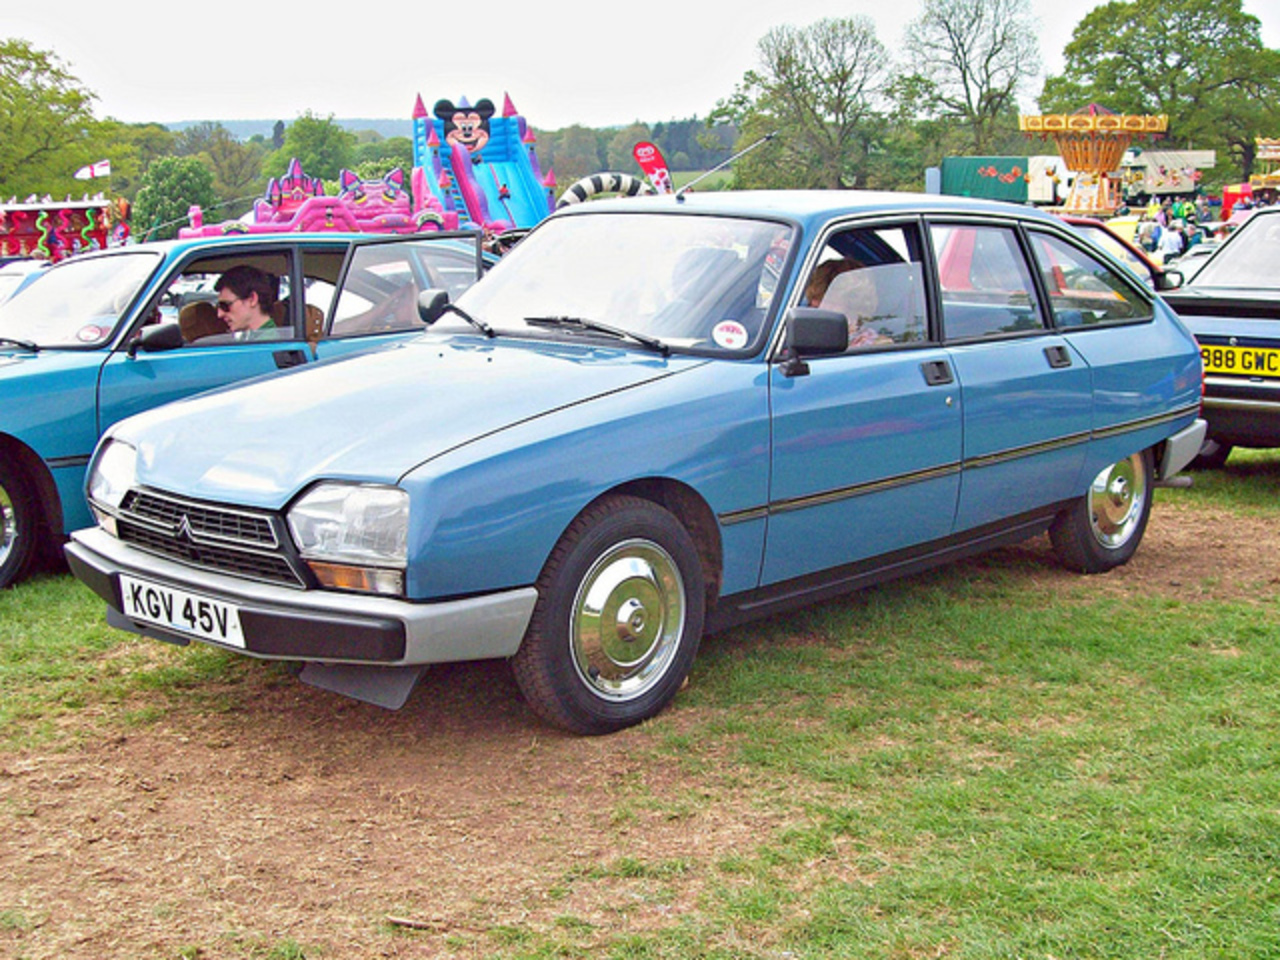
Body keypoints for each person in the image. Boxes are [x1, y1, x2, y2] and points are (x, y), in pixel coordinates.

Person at [214, 265, 283, 339]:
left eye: (225, 305)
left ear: (252, 299)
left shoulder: (266, 344)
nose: (219, 314)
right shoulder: (250, 339)